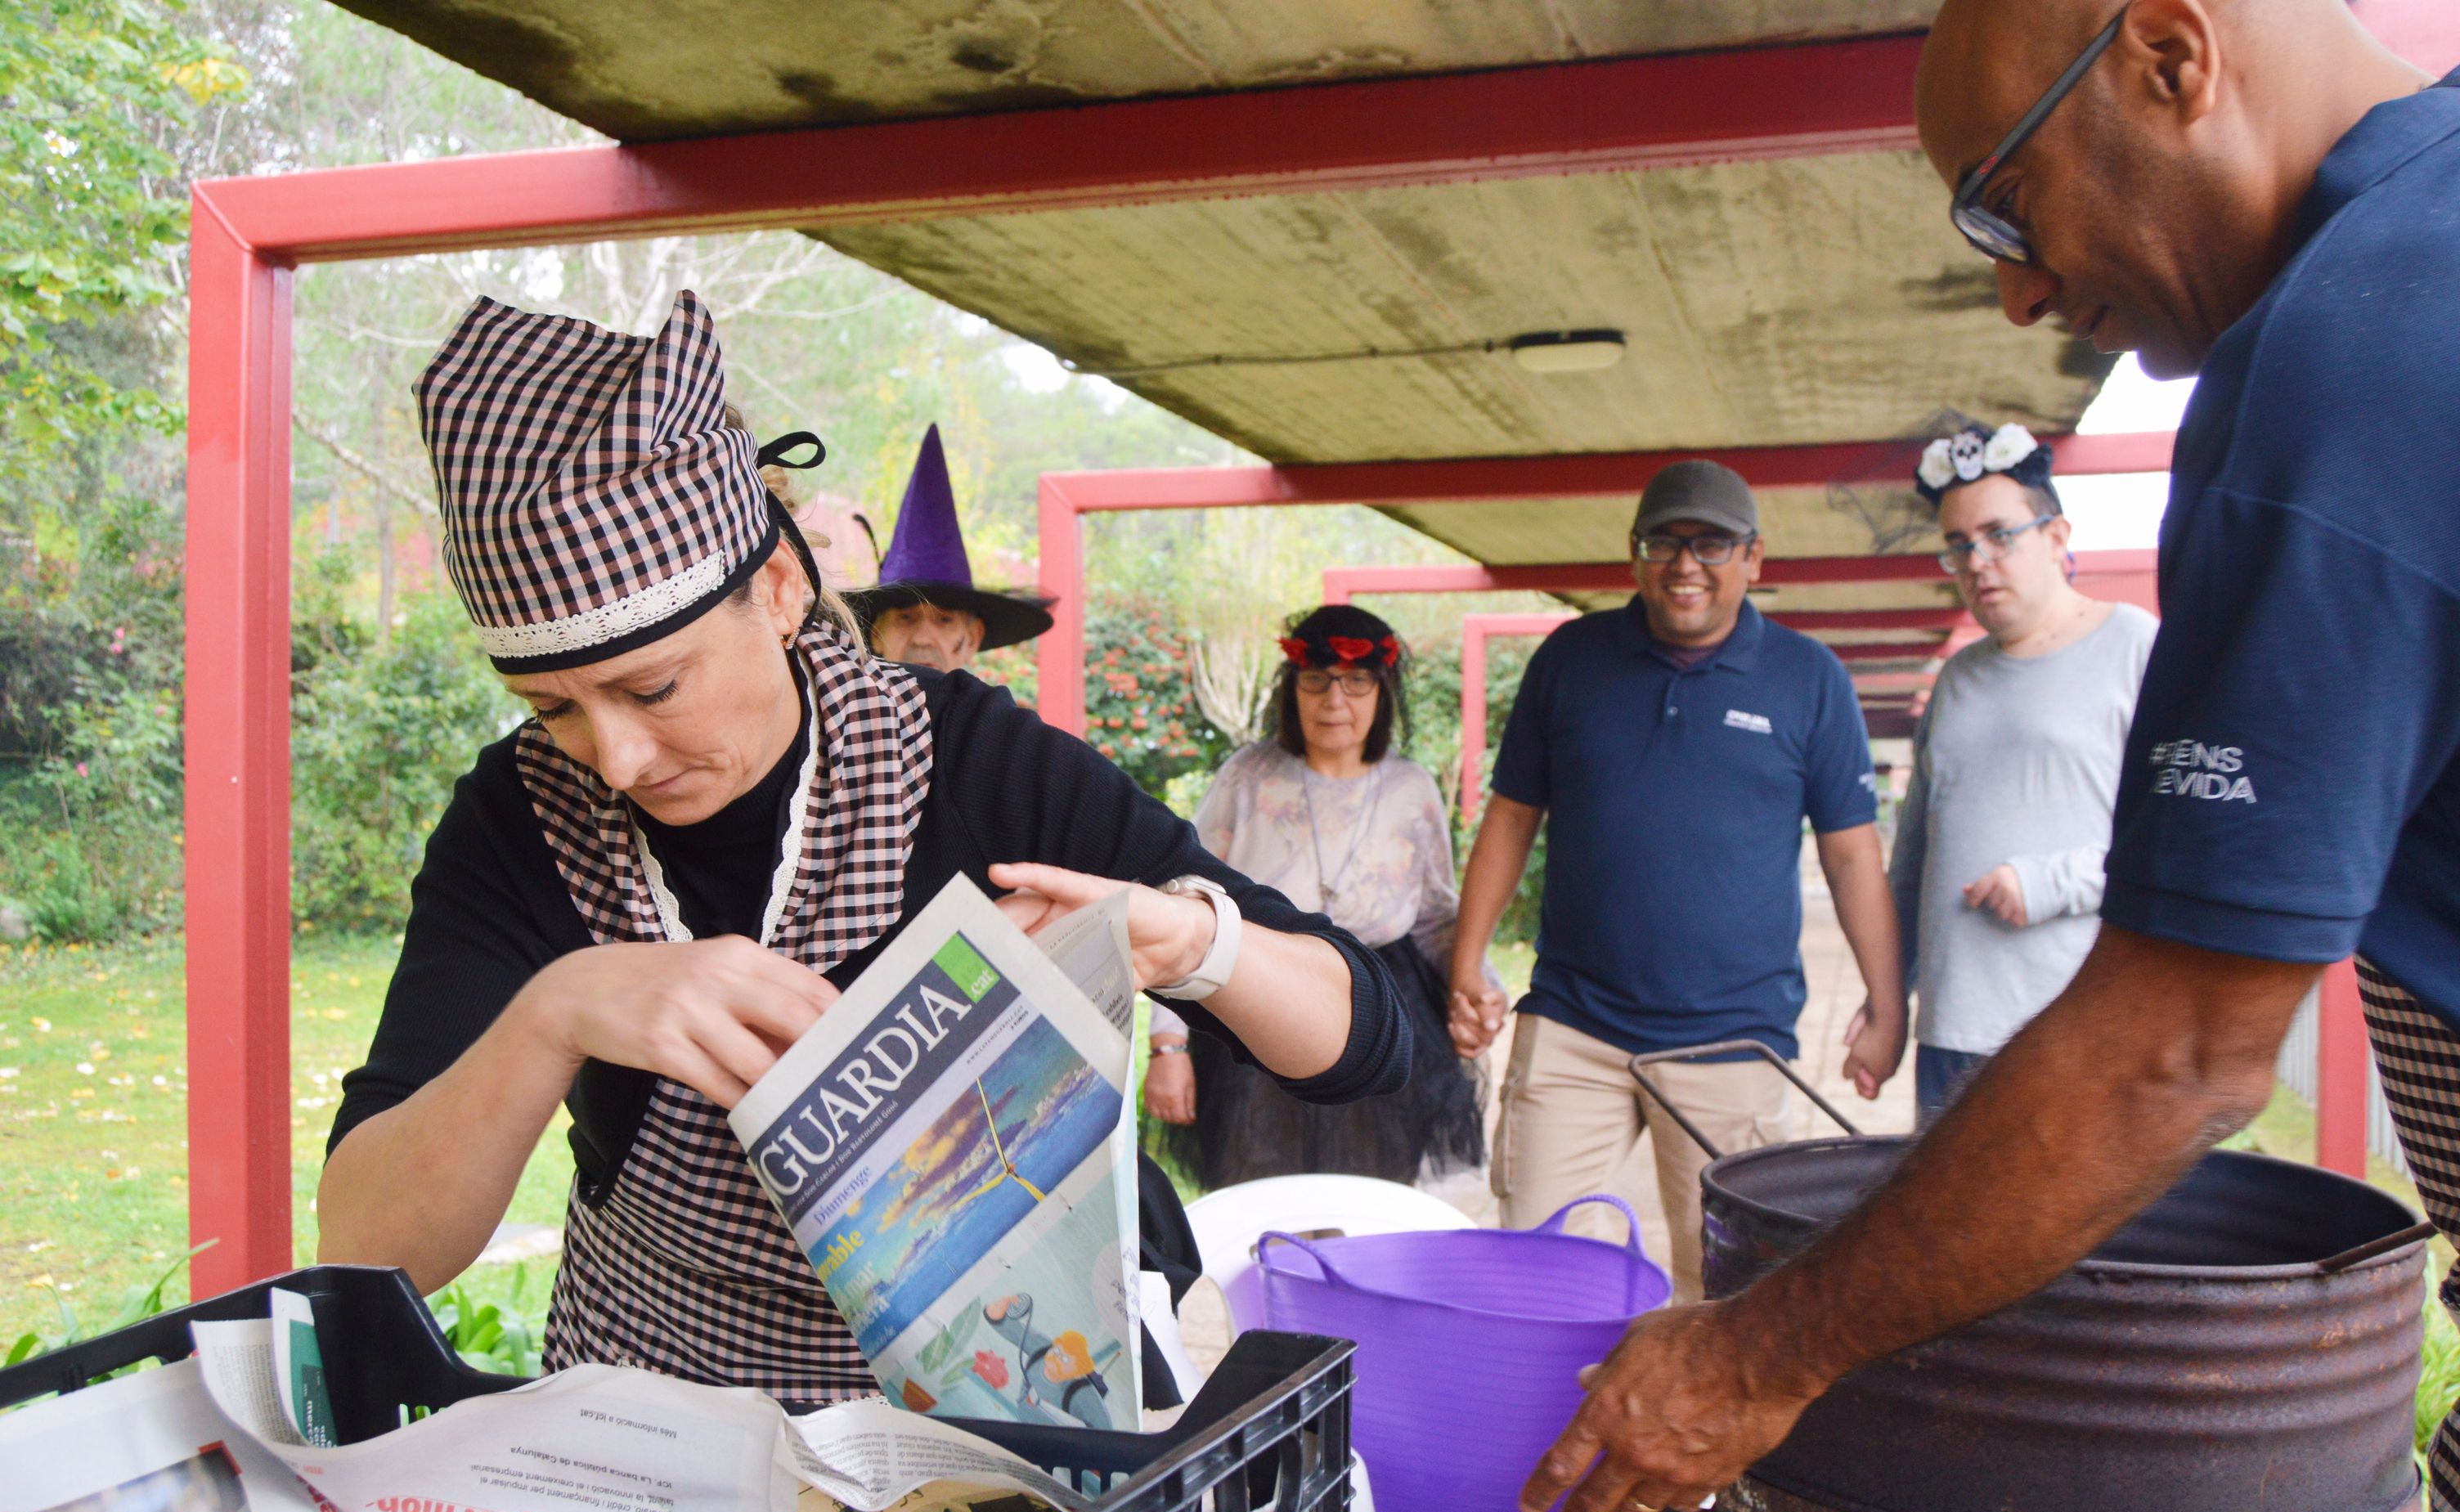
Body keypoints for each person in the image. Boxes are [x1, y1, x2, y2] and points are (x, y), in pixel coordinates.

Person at [1517, 8, 2460, 1512]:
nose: (2018, 290)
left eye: (2000, 205)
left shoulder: (2349, 344)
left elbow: (2175, 1050)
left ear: (2167, 54)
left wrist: (1748, 1354)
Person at [317, 292, 1408, 1405]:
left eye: (654, 687)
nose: (617, 758)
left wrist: (1190, 943)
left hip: (1021, 1395)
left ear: (782, 590)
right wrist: (556, 1011)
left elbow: (1367, 1036)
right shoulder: (521, 818)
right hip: (670, 1407)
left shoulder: (973, 762)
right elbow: (369, 1245)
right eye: (552, 707)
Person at [1448, 459, 1907, 1302]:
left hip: (1730, 1036)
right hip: (1573, 1025)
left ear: (1753, 557)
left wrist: (1886, 1002)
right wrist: (1467, 957)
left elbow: (1850, 855)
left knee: (1724, 1284)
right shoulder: (1571, 659)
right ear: (1634, 553)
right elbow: (1511, 816)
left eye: (1710, 544)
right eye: (1663, 540)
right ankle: (1552, 1431)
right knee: (1533, 1268)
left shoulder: (1808, 680)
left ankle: (1701, 1441)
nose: (1684, 564)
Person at [1143, 607, 1487, 1187]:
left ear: (1384, 691)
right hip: (1258, 993)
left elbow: (1433, 917)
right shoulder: (1247, 778)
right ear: (1292, 687)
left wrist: (1477, 986)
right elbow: (1187, 905)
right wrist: (1168, 1046)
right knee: (1261, 1197)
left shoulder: (1412, 790)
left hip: (1381, 1008)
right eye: (1317, 679)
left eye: (1357, 682)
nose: (1335, 701)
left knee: (1364, 1203)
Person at [1891, 421, 2156, 1120]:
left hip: (2075, 1032)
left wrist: (2050, 883)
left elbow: (2182, 840)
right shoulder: (1956, 679)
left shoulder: (2136, 648)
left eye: (1999, 535)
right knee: (1945, 1233)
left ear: (2057, 537)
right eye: (1958, 546)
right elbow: (1914, 861)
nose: (1978, 562)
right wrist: (1887, 1003)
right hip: (1949, 1038)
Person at [842, 424, 1053, 671]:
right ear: (876, 634)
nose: (922, 639)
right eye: (905, 618)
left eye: (944, 620)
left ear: (973, 637)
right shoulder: (841, 710)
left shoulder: (997, 712)